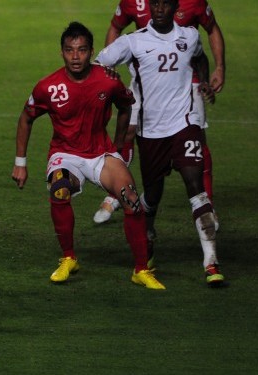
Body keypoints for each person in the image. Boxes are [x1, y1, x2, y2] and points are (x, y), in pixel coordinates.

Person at [12, 21, 164, 289]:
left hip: (100, 155)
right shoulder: (48, 87)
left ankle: (141, 270)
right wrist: (20, 163)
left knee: (131, 199)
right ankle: (68, 258)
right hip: (65, 154)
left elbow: (126, 106)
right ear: (61, 52)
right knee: (59, 187)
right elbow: (26, 118)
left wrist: (118, 145)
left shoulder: (108, 80)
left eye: (82, 50)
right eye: (70, 50)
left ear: (91, 51)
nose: (75, 56)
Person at [96, 0, 225, 287]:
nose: (159, 9)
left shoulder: (189, 36)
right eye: (155, 4)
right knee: (152, 194)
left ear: (174, 6)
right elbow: (99, 63)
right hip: (151, 132)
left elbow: (200, 57)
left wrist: (203, 81)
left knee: (195, 185)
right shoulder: (133, 42)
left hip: (184, 124)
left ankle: (211, 262)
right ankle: (149, 232)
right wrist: (111, 81)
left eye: (165, 4)